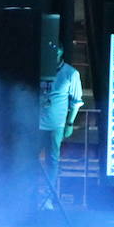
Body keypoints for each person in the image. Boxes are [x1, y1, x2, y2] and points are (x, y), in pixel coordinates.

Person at [36, 43, 82, 210]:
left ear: (61, 53)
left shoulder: (70, 73)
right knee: (29, 159)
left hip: (56, 124)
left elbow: (76, 102)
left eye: (56, 52)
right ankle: (30, 194)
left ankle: (47, 197)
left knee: (53, 161)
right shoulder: (39, 69)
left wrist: (70, 123)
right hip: (36, 123)